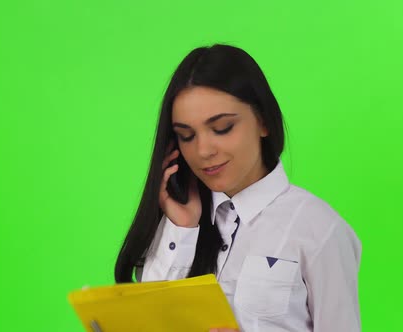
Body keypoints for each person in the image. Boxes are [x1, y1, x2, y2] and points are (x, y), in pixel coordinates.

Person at [114, 44, 361, 332]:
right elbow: (149, 324)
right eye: (186, 135)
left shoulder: (319, 230)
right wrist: (181, 230)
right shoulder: (179, 224)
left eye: (222, 128)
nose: (203, 150)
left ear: (264, 121)